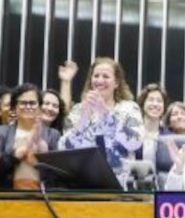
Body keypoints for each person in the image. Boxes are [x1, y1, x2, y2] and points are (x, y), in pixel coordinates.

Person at [58, 57, 143, 187]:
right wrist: (84, 117)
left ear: (116, 83)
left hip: (121, 184)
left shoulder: (129, 108)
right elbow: (65, 148)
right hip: (84, 184)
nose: (100, 80)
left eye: (106, 76)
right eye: (96, 76)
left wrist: (105, 113)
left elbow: (135, 142)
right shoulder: (78, 109)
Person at [0, 83, 61, 190]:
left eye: (33, 103)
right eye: (23, 103)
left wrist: (44, 154)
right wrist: (15, 155)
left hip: (44, 200)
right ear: (14, 108)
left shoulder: (52, 134)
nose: (28, 107)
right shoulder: (1, 132)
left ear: (39, 107)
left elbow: (61, 172)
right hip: (8, 199)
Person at [136, 83, 170, 162]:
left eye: (159, 101)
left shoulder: (169, 137)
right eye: (150, 100)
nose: (155, 104)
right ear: (143, 104)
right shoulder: (131, 132)